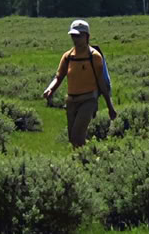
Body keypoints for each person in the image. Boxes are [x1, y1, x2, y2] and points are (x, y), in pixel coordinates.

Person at [41, 19, 114, 148]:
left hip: (88, 100)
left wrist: (110, 107)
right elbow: (59, 77)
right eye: (73, 36)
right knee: (73, 139)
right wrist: (50, 89)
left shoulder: (95, 57)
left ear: (87, 37)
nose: (75, 39)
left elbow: (102, 83)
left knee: (77, 135)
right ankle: (84, 160)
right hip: (71, 102)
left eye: (79, 36)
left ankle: (85, 161)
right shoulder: (67, 56)